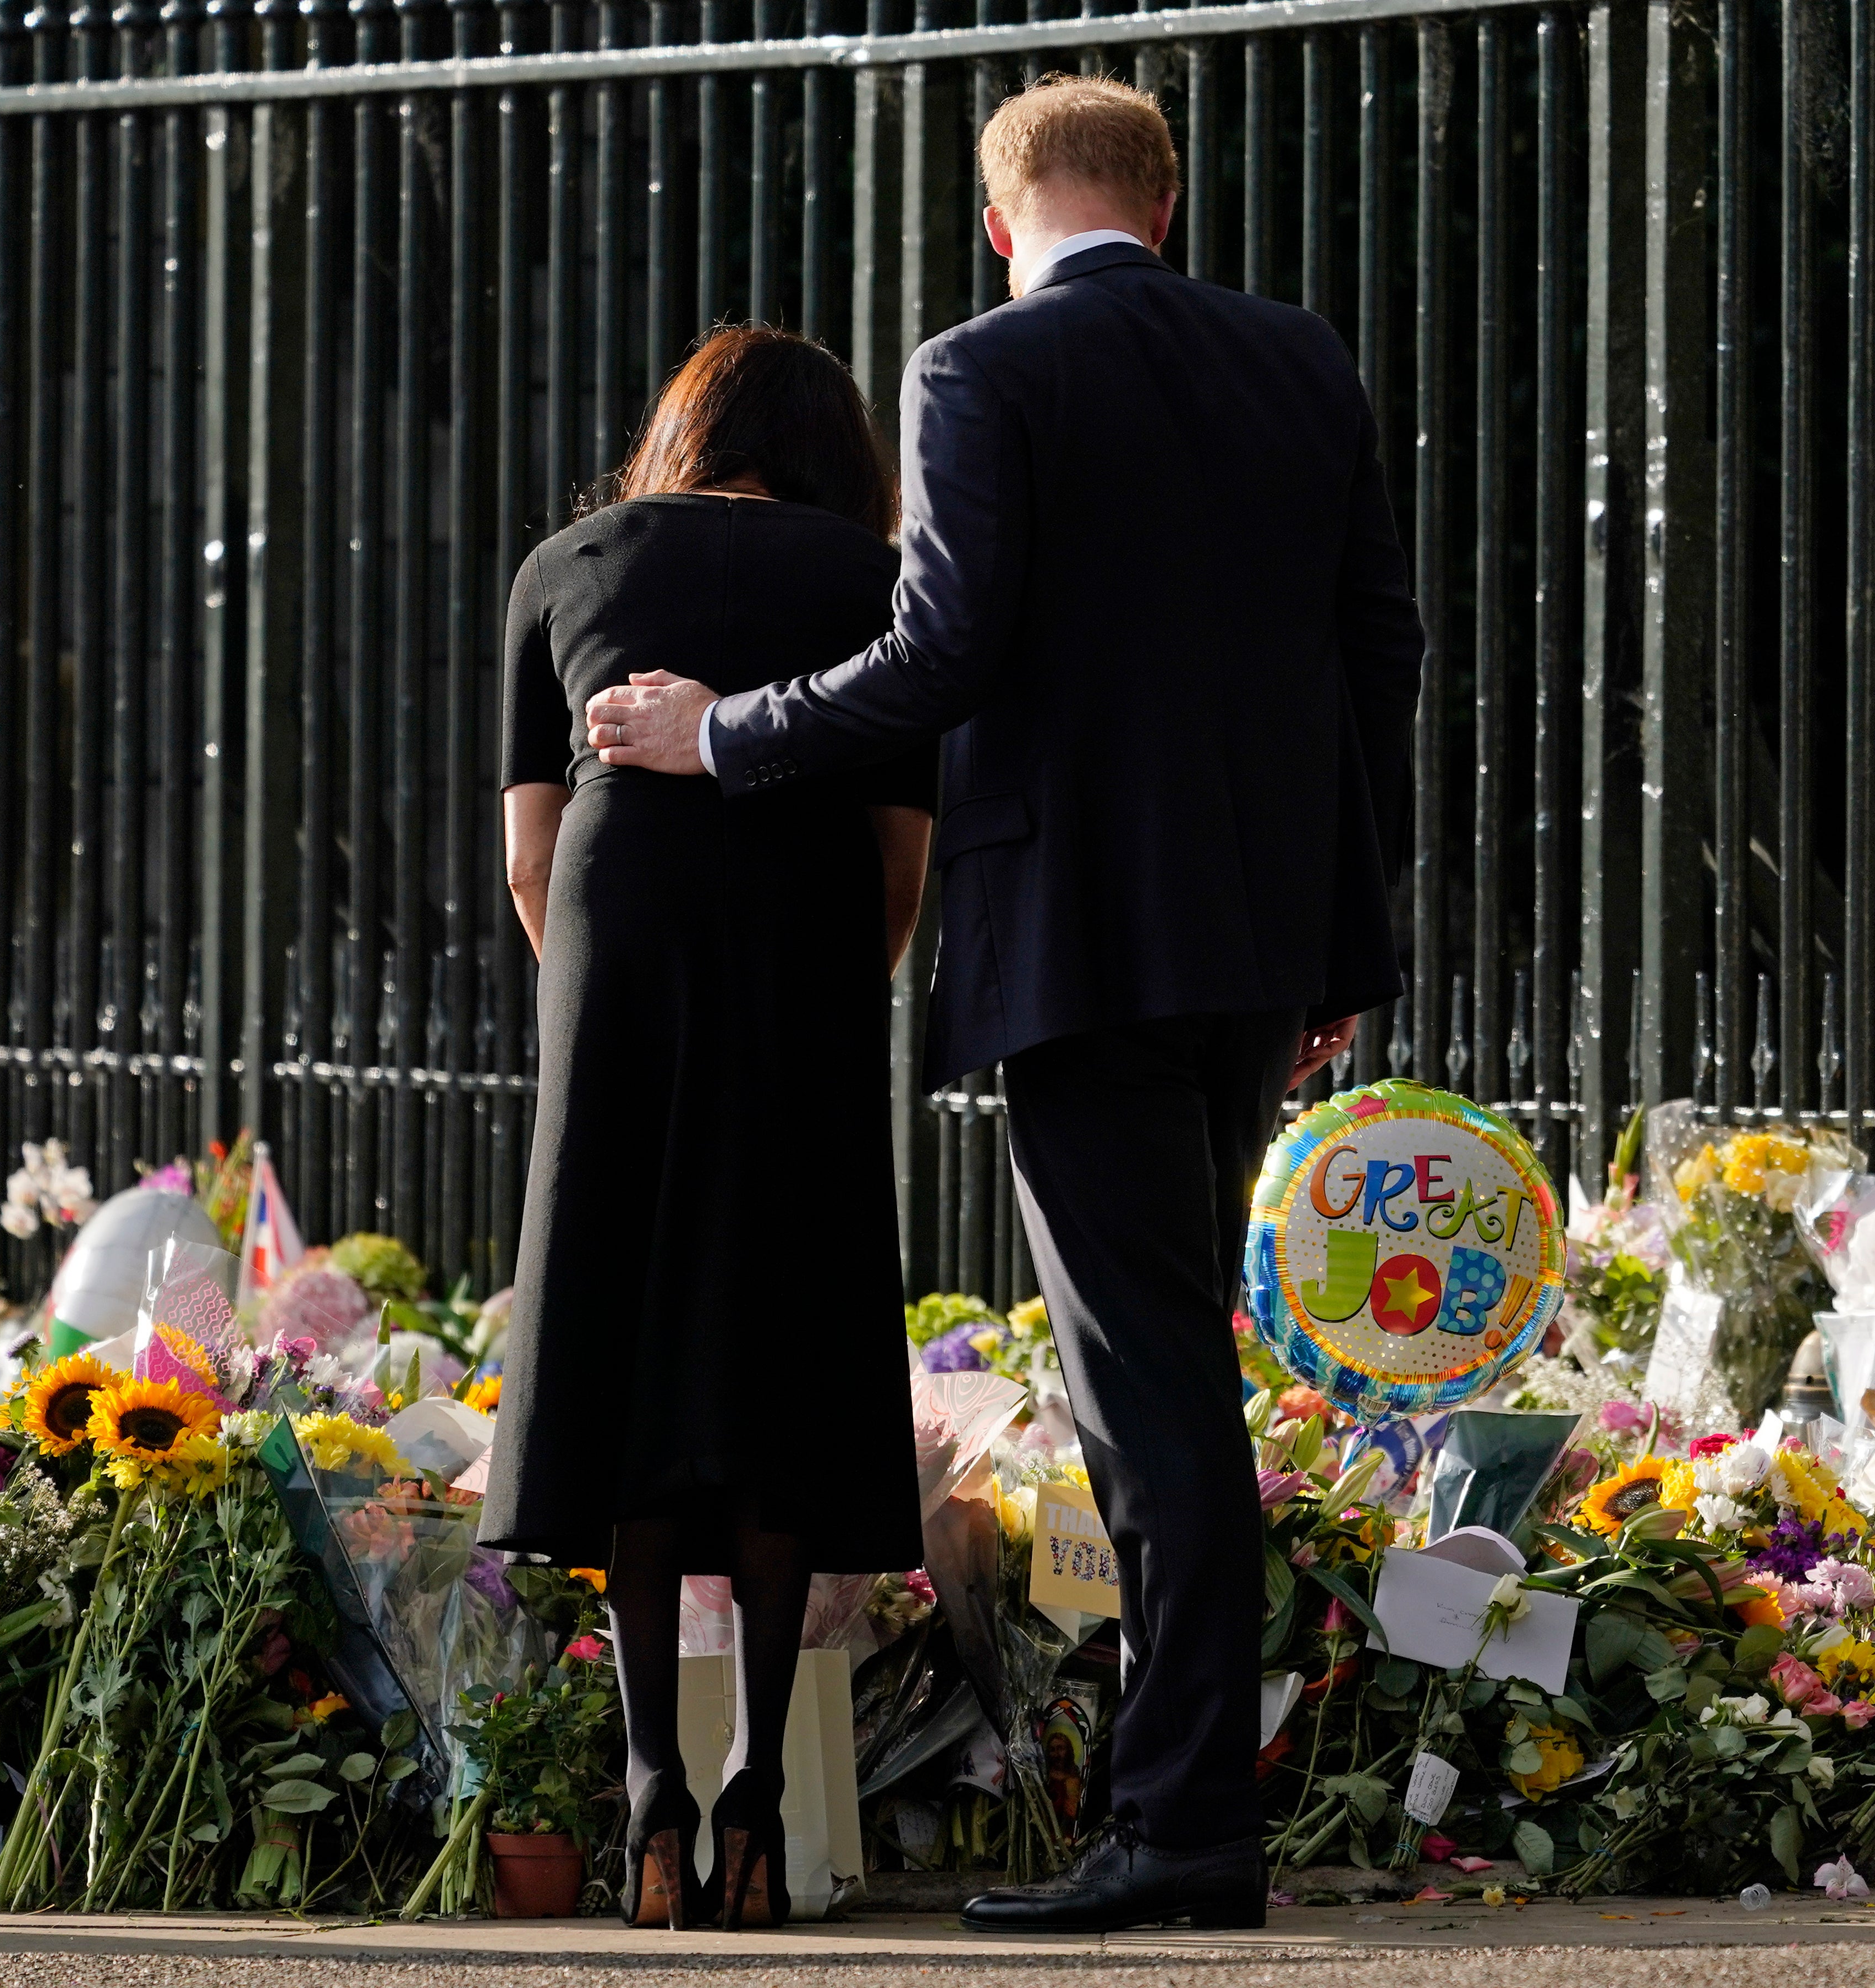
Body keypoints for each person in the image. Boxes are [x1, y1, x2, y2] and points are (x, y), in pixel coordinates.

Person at [587, 74, 1424, 1932]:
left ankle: (1185, 1831)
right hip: (1259, 952)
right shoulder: (1301, 360)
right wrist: (1339, 941)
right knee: (1174, 1361)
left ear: (996, 218)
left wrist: (720, 736)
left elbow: (941, 651)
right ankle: (1182, 1808)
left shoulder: (979, 373)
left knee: (1154, 1399)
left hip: (1076, 946)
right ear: (1166, 204)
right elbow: (1384, 647)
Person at [480, 325, 932, 1932]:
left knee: (629, 1336)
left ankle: (651, 1787)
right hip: (800, 949)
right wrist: (816, 995)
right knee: (778, 1344)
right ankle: (756, 1788)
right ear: (836, 455)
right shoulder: (874, 586)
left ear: (678, 433)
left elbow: (532, 862)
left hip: (620, 947)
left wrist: (608, 1008)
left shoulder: (568, 561)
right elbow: (899, 858)